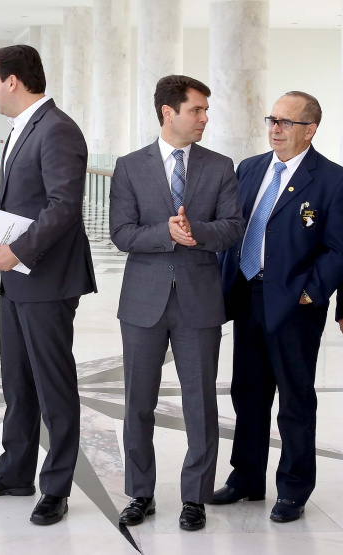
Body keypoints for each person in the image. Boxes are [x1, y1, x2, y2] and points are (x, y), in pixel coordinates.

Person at [0, 45, 97, 526]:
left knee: (54, 387)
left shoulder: (57, 130)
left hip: (47, 279)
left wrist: (17, 250)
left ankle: (55, 487)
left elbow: (62, 206)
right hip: (18, 281)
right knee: (17, 382)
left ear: (14, 81)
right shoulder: (22, 128)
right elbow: (11, 198)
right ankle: (15, 472)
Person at [109, 75, 244, 531]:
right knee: (138, 403)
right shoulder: (129, 166)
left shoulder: (221, 166)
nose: (205, 118)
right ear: (169, 112)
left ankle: (195, 497)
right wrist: (165, 232)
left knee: (200, 403)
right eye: (197, 110)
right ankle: (140, 493)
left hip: (200, 300)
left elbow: (233, 228)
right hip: (143, 300)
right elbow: (121, 232)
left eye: (206, 111)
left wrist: (197, 232)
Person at [212, 92, 343, 523]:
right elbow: (232, 228)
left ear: (310, 130)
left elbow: (340, 250)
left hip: (295, 305)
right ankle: (246, 478)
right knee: (247, 392)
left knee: (294, 398)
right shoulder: (249, 169)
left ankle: (292, 488)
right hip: (247, 294)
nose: (274, 128)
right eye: (272, 119)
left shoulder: (332, 180)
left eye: (286, 122)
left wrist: (310, 293)